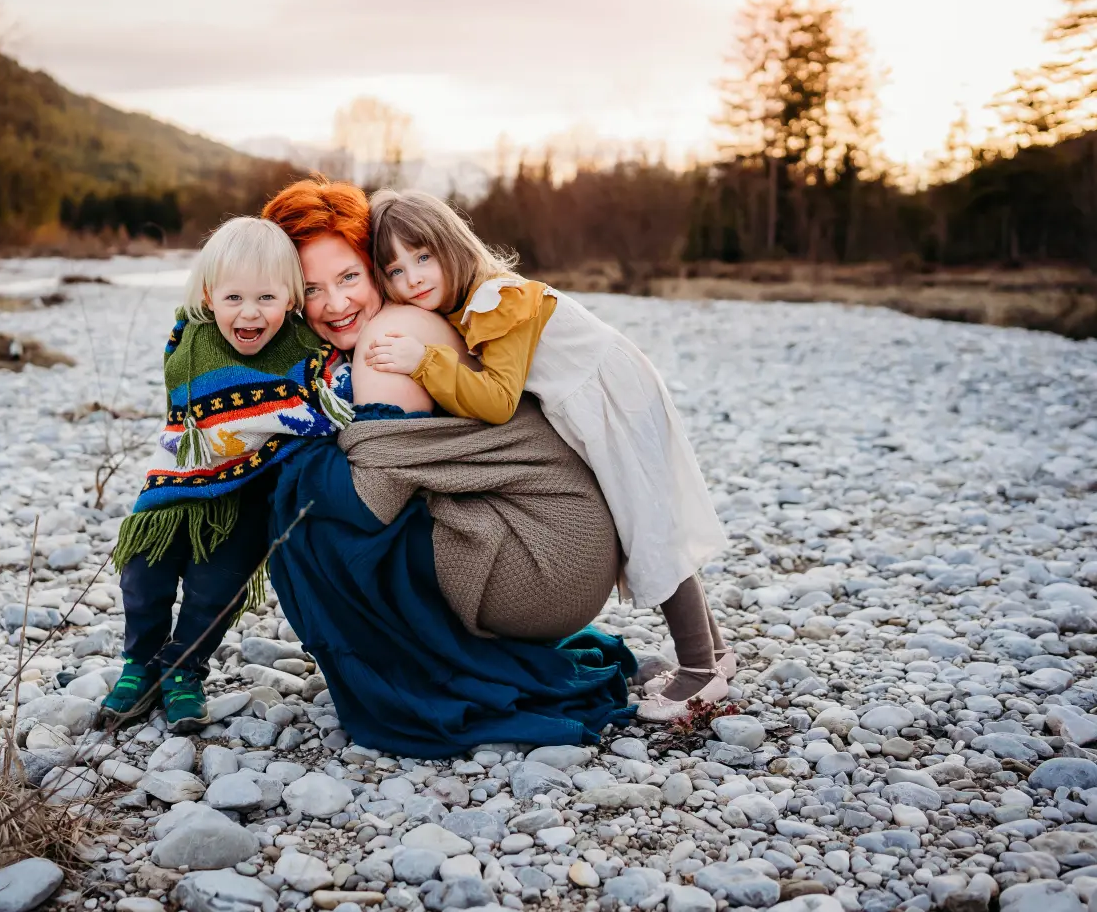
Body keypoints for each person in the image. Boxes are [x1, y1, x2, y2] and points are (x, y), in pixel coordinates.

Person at [258, 177, 636, 756]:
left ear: (372, 267)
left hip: (546, 561)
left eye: (349, 277)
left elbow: (371, 498)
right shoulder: (410, 319)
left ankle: (430, 682)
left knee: (308, 519)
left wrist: (271, 457)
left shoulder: (389, 338)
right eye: (311, 289)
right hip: (563, 544)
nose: (335, 304)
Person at [362, 188, 733, 721]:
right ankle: (716, 656)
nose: (413, 278)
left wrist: (425, 361)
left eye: (423, 257)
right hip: (599, 390)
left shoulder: (496, 299)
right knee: (649, 518)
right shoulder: (474, 301)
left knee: (645, 523)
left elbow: (495, 400)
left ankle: (698, 672)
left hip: (610, 396)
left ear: (452, 244)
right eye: (394, 270)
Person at [100, 217, 351, 732]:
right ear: (211, 295)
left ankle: (183, 669)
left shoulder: (306, 355)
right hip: (176, 487)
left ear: (291, 300)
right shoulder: (192, 342)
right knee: (143, 577)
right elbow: (186, 400)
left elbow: (329, 400)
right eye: (234, 298)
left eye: (266, 298)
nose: (250, 313)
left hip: (247, 494)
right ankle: (139, 663)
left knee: (217, 590)